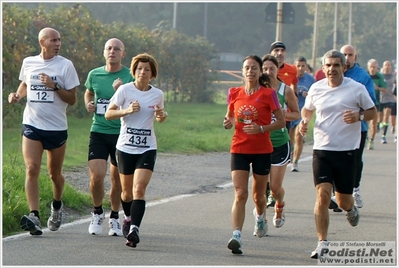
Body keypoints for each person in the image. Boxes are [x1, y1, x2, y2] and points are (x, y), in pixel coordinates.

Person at [298, 49, 376, 259]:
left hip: (347, 152)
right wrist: (304, 122)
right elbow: (307, 110)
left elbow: (372, 112)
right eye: (328, 65)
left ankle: (351, 209)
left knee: (343, 201)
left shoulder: (356, 88)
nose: (332, 69)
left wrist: (359, 115)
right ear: (323, 68)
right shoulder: (316, 88)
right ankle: (322, 242)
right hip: (322, 150)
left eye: (336, 65)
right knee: (322, 195)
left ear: (344, 67)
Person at [8, 27, 79, 235]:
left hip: (56, 128)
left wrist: (54, 86)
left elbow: (73, 99)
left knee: (54, 175)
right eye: (53, 40)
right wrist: (18, 96)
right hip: (32, 124)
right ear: (42, 42)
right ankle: (34, 216)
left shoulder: (66, 66)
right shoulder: (29, 62)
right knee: (31, 168)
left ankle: (56, 206)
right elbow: (24, 84)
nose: (58, 44)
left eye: (59, 40)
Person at [223, 55, 285, 255]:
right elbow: (230, 116)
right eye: (247, 68)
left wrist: (261, 128)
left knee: (259, 197)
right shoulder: (234, 93)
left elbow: (281, 122)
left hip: (262, 150)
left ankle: (260, 218)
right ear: (242, 71)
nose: (250, 71)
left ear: (260, 72)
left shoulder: (269, 94)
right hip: (239, 148)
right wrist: (228, 122)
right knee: (240, 193)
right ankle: (236, 236)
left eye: (254, 68)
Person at [104, 53, 167, 248]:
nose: (143, 72)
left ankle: (134, 230)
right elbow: (108, 114)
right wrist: (127, 110)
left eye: (147, 69)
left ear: (152, 73)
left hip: (147, 147)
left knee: (139, 189)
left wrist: (161, 115)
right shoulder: (124, 90)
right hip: (125, 147)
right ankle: (128, 218)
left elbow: (160, 117)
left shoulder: (157, 94)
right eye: (139, 69)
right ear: (134, 71)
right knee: (126, 193)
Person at [84, 38, 134, 236]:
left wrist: (121, 91)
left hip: (121, 133)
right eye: (109, 48)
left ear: (123, 53)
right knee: (96, 176)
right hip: (99, 130)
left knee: (117, 181)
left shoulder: (130, 75)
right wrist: (88, 103)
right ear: (104, 52)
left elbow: (136, 102)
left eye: (117, 49)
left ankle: (114, 217)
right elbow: (88, 93)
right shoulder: (94, 74)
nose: (112, 52)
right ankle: (97, 212)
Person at [328, 44, 376, 210]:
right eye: (344, 54)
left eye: (350, 55)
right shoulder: (331, 73)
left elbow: (371, 103)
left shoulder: (362, 77)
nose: (347, 58)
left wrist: (358, 115)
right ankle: (336, 194)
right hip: (333, 128)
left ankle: (354, 188)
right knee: (333, 161)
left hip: (357, 128)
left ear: (355, 57)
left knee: (354, 162)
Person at [259, 54, 299, 230]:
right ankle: (261, 220)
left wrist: (282, 115)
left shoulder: (285, 90)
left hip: (279, 143)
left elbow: (297, 113)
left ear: (277, 70)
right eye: (265, 69)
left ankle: (280, 205)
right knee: (261, 189)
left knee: (274, 189)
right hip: (259, 143)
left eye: (272, 69)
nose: (268, 72)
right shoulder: (256, 89)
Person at [290, 56, 315, 172]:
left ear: (306, 67)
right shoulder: (290, 78)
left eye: (302, 66)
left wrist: (308, 95)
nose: (300, 68)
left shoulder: (311, 80)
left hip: (303, 113)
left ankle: (295, 162)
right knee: (289, 138)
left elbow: (315, 95)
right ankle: (288, 155)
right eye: (298, 66)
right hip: (289, 112)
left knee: (298, 137)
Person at [366, 59, 387, 146]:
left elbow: (385, 89)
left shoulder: (380, 76)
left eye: (374, 67)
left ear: (377, 67)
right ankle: (365, 137)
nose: (372, 69)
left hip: (375, 102)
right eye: (371, 67)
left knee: (374, 124)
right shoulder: (365, 75)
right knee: (364, 122)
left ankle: (371, 140)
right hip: (365, 102)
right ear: (368, 67)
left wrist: (377, 88)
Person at [379, 60, 396, 143]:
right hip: (381, 98)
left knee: (386, 115)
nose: (387, 66)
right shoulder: (380, 76)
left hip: (390, 98)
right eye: (386, 65)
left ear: (391, 66)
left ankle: (383, 136)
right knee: (380, 119)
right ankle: (380, 125)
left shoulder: (393, 76)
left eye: (389, 65)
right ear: (383, 66)